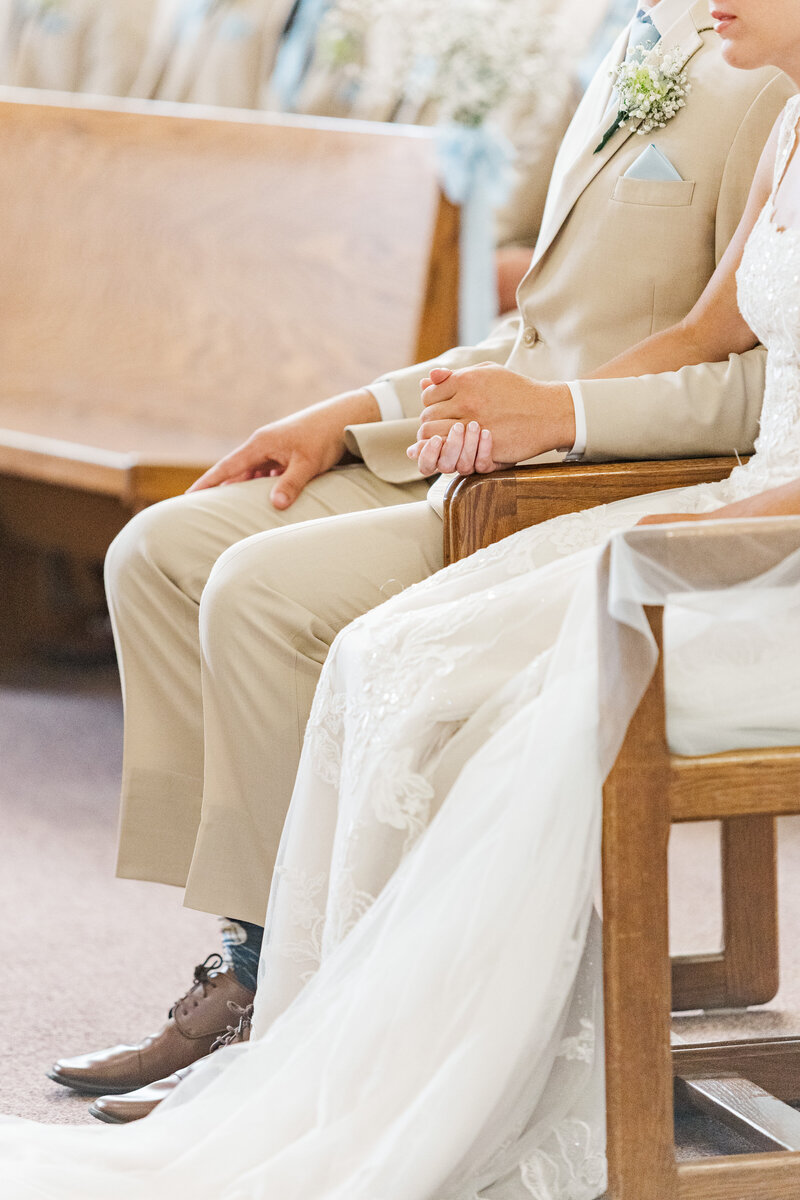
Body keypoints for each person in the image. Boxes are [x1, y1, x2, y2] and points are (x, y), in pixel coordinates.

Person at [4, 0, 800, 1194]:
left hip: (672, 496)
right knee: (160, 554)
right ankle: (266, 964)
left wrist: (567, 429)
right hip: (540, 445)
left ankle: (352, 1016)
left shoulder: (750, 85)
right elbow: (608, 330)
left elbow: (727, 387)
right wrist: (361, 411)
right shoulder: (729, 83)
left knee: (322, 621)